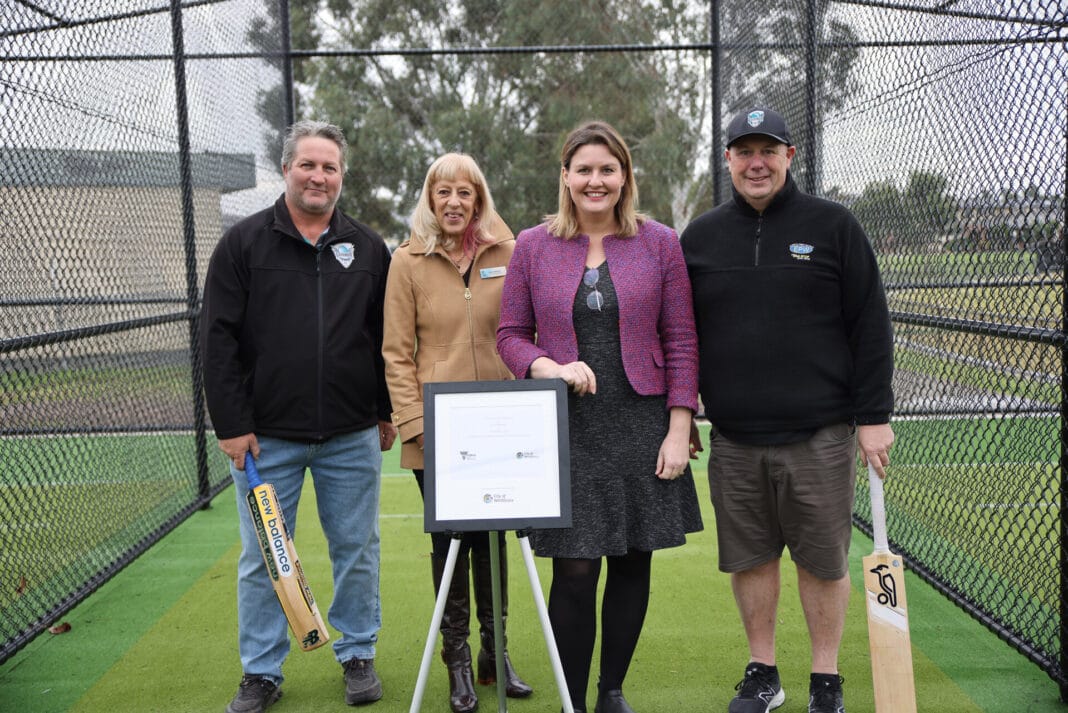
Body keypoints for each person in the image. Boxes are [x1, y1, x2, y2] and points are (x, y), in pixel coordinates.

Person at [679, 107, 895, 713]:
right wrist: (682, 411)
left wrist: (873, 415)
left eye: (767, 150)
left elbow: (870, 326)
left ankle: (825, 680)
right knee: (749, 558)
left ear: (789, 156)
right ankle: (763, 672)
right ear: (727, 160)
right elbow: (682, 333)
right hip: (735, 436)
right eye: (743, 151)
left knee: (823, 561)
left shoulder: (834, 226)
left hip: (818, 434)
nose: (756, 162)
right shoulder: (700, 237)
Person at [497, 121, 703, 713]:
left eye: (607, 169)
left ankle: (611, 690)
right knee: (576, 567)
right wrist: (545, 366)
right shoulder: (534, 245)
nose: (596, 180)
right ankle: (573, 702)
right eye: (584, 169)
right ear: (565, 177)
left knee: (632, 559)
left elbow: (682, 339)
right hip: (567, 429)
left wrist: (678, 426)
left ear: (624, 178)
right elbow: (510, 333)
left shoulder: (659, 241)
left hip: (641, 425)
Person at [201, 119, 397, 713]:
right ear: (285, 169)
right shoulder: (243, 244)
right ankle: (262, 672)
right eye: (307, 164)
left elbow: (383, 337)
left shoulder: (368, 248)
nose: (318, 176)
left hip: (350, 435)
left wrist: (384, 412)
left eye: (329, 167)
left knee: (357, 548)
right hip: (266, 442)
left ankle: (357, 654)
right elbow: (218, 339)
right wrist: (232, 425)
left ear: (342, 176)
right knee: (264, 558)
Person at [382, 153, 534, 713]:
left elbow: (525, 331)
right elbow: (396, 355)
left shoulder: (510, 254)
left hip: (501, 425)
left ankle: (498, 652)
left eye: (463, 193)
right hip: (437, 433)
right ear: (429, 198)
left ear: (478, 199)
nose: (452, 202)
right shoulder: (407, 262)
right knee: (450, 543)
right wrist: (415, 425)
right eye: (442, 192)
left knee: (495, 540)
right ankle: (459, 662)